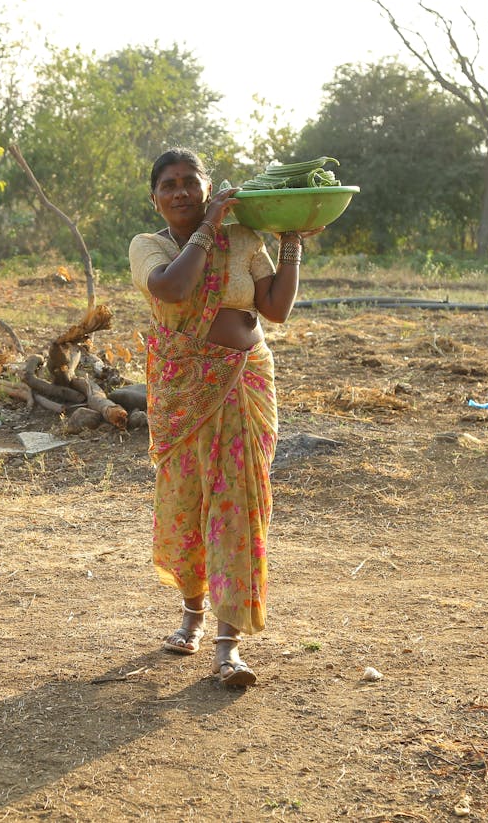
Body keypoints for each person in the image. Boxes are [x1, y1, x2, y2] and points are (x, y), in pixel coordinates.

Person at [129, 147, 318, 687]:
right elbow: (172, 288)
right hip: (185, 389)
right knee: (186, 502)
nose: (182, 191)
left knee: (236, 504)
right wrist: (207, 229)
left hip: (244, 381)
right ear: (155, 198)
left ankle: (227, 647)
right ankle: (191, 615)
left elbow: (275, 309)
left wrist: (291, 245)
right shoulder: (149, 247)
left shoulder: (242, 238)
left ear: (209, 186)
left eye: (192, 181)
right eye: (170, 184)